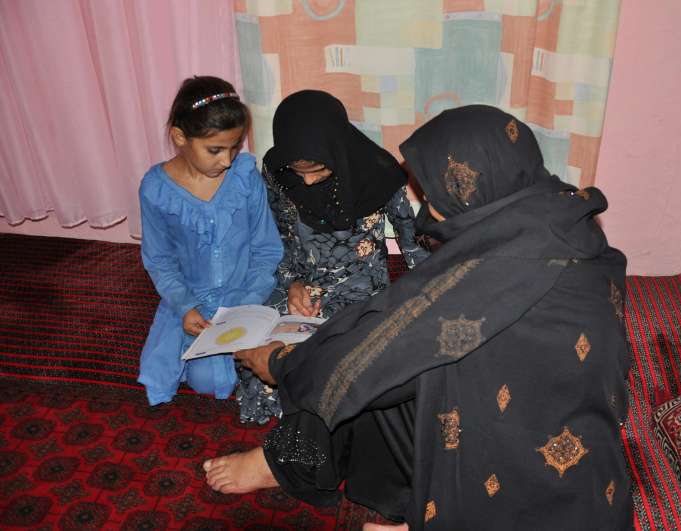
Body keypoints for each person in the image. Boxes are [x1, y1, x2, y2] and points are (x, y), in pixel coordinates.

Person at [205, 105, 632, 530]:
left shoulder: (495, 268)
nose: (427, 204)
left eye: (435, 193)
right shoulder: (559, 219)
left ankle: (308, 468)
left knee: (364, 361)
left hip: (522, 480)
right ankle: (304, 463)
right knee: (377, 338)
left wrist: (281, 364)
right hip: (570, 451)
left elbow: (385, 349)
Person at [236, 90, 429, 423]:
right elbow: (277, 238)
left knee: (338, 356)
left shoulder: (378, 173)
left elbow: (413, 245)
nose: (308, 182)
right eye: (300, 172)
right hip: (298, 284)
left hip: (358, 286)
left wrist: (426, 298)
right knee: (256, 348)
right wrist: (291, 282)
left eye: (319, 171)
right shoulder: (277, 171)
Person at [138, 76, 283, 406]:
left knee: (216, 380)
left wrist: (246, 304)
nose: (227, 160)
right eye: (215, 150)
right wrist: (184, 305)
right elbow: (159, 258)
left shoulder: (245, 177)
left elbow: (266, 248)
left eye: (235, 147)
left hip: (244, 295)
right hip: (191, 299)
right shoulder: (155, 189)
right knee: (159, 377)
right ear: (179, 138)